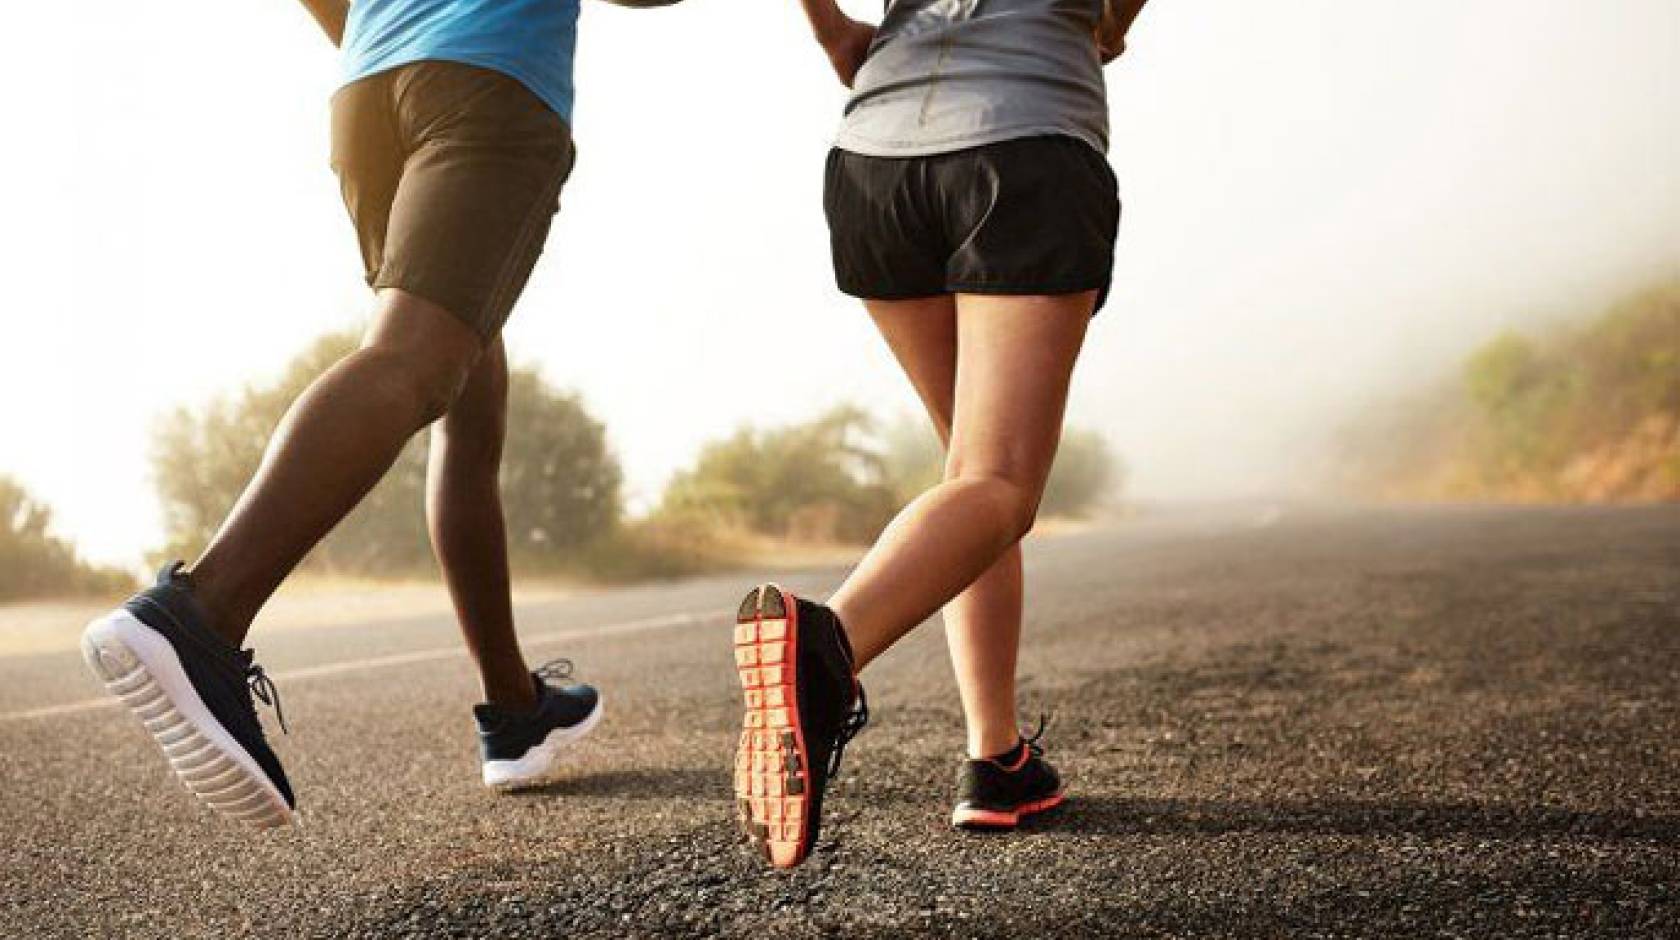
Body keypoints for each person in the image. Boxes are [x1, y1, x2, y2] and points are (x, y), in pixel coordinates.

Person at [77, 0, 675, 829]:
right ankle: (200, 612)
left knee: (466, 387)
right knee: (416, 362)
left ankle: (515, 709)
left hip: (370, 92)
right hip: (489, 78)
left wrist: (384, 34)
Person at [731, 0, 1150, 868]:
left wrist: (833, 32)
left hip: (877, 162)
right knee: (998, 484)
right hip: (1021, 138)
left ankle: (996, 758)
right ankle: (826, 648)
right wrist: (1113, 20)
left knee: (971, 470)